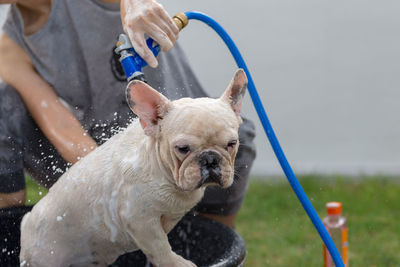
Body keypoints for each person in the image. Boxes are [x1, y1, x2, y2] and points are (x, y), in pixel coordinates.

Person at [0, 0, 255, 237]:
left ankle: (209, 244)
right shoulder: (9, 47)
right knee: (3, 102)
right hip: (107, 148)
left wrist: (136, 2)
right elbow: (60, 124)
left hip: (183, 145)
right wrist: (111, 181)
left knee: (236, 141)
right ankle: (10, 238)